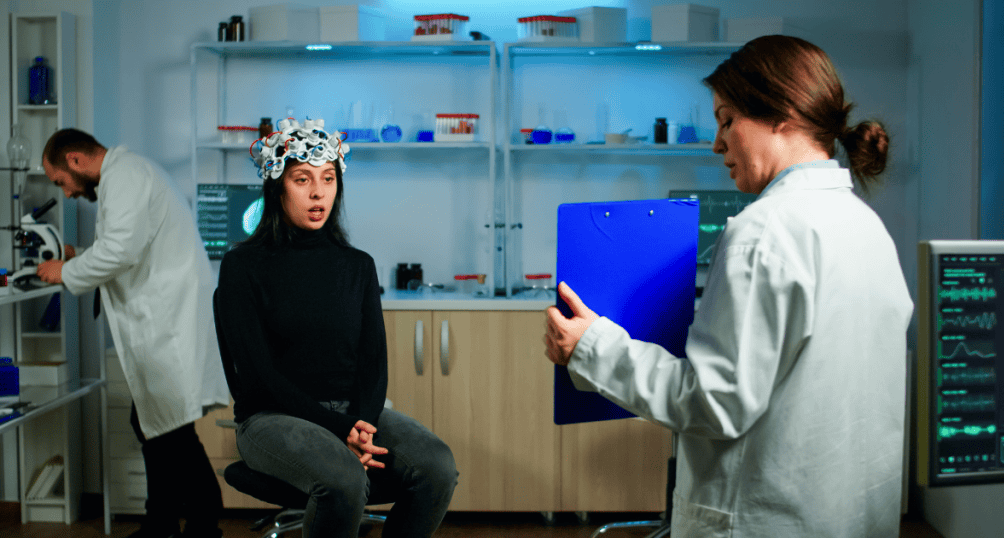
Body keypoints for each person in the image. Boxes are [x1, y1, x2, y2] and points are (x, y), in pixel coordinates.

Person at [545, 35, 913, 538]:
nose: (717, 143)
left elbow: (713, 402)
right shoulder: (867, 228)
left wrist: (592, 346)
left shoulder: (763, 232)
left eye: (727, 120)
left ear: (782, 113)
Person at [215, 118, 458, 538]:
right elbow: (259, 377)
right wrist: (341, 429)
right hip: (270, 417)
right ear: (277, 187)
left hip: (349, 412)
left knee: (437, 466)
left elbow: (372, 359)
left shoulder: (357, 266)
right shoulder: (242, 267)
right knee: (346, 480)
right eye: (302, 179)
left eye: (328, 178)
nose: (317, 192)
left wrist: (361, 421)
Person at [37, 129, 230, 538]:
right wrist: (80, 255)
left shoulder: (124, 176)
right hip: (165, 319)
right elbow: (125, 244)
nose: (67, 193)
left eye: (61, 182)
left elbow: (121, 251)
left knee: (165, 426)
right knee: (158, 424)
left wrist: (65, 271)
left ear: (74, 160)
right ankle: (165, 522)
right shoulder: (128, 174)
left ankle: (197, 522)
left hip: (167, 324)